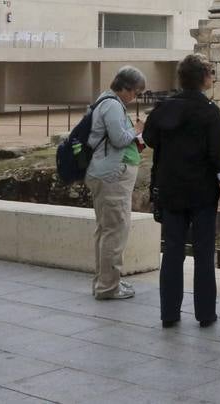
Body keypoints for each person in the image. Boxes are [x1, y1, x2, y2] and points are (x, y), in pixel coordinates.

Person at [143, 53, 220, 329]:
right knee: (204, 253)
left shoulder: (163, 108)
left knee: (172, 251)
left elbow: (149, 139)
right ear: (204, 78)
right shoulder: (209, 110)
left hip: (171, 188)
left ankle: (169, 312)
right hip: (202, 191)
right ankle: (205, 313)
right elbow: (219, 154)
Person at [85, 67, 147, 300]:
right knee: (115, 230)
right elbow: (119, 138)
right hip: (113, 176)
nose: (135, 97)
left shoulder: (106, 102)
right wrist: (137, 131)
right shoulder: (111, 105)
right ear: (125, 88)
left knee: (106, 229)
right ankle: (108, 287)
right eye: (136, 92)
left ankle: (106, 281)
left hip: (108, 173)